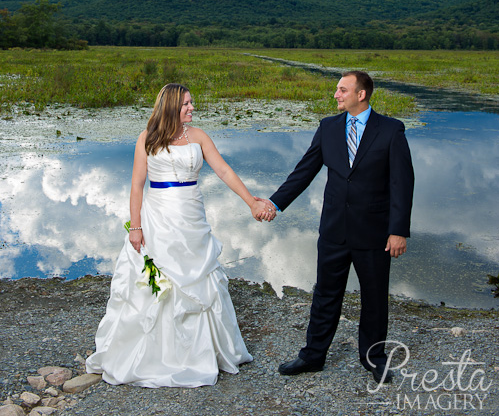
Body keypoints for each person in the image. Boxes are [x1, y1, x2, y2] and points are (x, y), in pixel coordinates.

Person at [86, 83, 272, 388]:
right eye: (187, 104)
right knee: (157, 283)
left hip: (191, 216)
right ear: (171, 105)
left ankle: (200, 352)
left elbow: (224, 171)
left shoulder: (198, 137)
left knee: (199, 280)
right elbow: (136, 185)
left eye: (191, 103)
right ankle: (153, 354)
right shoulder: (146, 139)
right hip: (157, 217)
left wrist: (252, 201)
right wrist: (135, 226)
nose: (192, 108)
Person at [257, 70, 414, 384]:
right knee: (325, 295)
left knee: (374, 297)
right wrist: (274, 203)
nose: (336, 95)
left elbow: (402, 183)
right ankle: (313, 355)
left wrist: (399, 230)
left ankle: (374, 358)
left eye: (342, 90)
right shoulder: (328, 127)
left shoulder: (391, 130)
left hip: (375, 233)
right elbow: (304, 171)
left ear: (361, 94)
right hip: (333, 230)